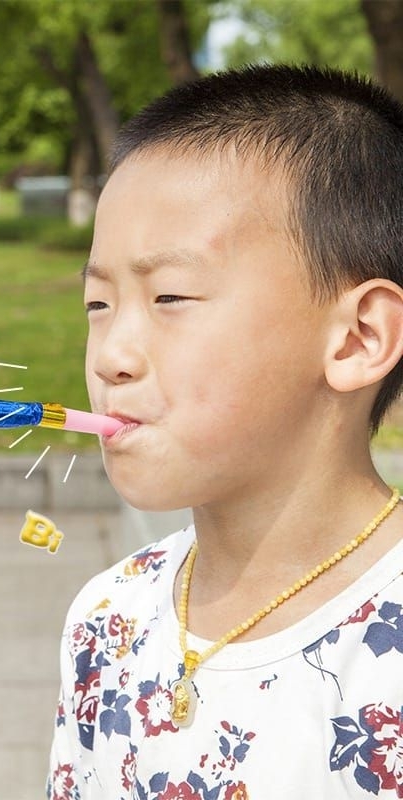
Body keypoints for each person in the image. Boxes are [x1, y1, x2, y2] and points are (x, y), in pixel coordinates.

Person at [47, 64, 403, 800]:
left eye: (170, 296)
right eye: (97, 303)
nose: (112, 355)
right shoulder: (107, 616)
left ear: (358, 338)